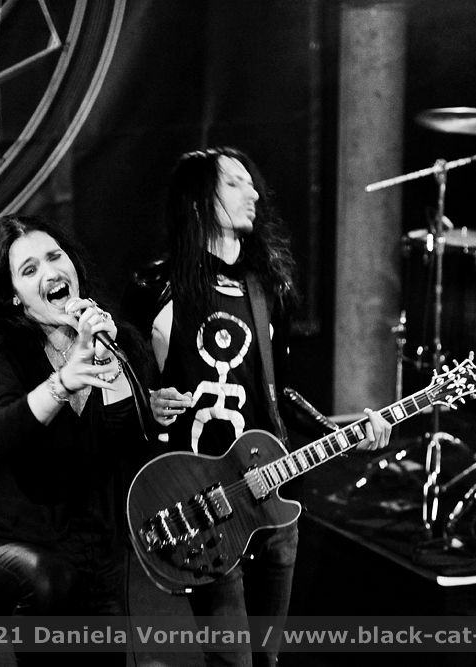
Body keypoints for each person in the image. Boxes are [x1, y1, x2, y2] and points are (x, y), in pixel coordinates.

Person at [124, 146, 392, 666]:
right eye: (234, 184)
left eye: (252, 184)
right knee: (233, 662)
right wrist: (147, 402)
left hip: (271, 497)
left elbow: (280, 395)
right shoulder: (153, 287)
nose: (254, 194)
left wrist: (345, 431)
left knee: (267, 660)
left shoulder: (268, 288)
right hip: (202, 503)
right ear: (198, 201)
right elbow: (120, 391)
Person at [0, 214, 145, 666]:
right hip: (4, 548)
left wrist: (108, 357)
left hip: (93, 554)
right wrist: (64, 382)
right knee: (50, 582)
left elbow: (126, 438)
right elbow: (3, 432)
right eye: (29, 269)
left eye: (55, 257)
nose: (50, 272)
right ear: (14, 294)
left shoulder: (110, 341)